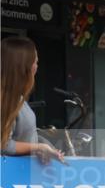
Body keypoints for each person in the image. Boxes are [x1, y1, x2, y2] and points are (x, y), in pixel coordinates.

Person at [1, 37, 64, 165]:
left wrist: (42, 146)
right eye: (35, 62)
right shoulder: (7, 100)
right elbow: (4, 144)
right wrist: (38, 148)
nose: (36, 67)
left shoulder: (17, 99)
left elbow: (22, 138)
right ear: (23, 67)